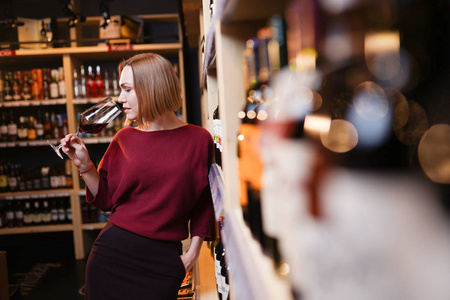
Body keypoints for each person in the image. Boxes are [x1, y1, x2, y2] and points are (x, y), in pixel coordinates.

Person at [60, 53, 216, 300]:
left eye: (127, 89)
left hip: (163, 263)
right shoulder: (124, 138)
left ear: (152, 87)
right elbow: (106, 200)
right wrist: (85, 165)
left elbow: (204, 202)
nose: (120, 99)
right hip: (111, 257)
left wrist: (192, 254)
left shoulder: (199, 140)